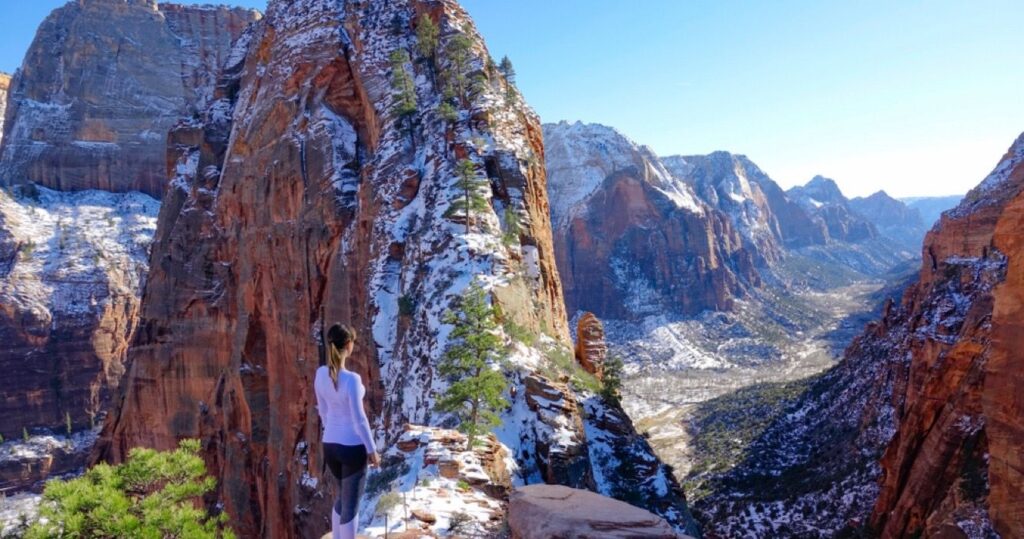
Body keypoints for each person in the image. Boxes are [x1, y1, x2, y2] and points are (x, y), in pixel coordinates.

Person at [315, 323, 380, 539]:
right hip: (352, 448)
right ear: (349, 345)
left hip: (330, 446)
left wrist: (332, 432)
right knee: (351, 505)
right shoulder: (352, 379)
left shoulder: (320, 374)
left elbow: (323, 411)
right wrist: (372, 450)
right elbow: (359, 419)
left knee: (342, 497)